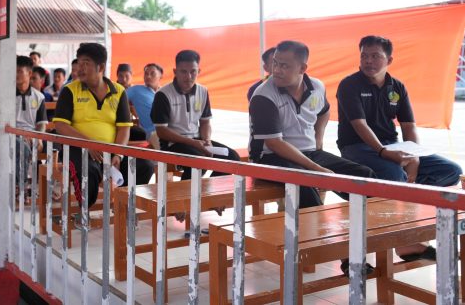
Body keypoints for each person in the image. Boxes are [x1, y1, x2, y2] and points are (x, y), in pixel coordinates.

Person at [249, 40, 377, 276]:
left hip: (309, 152)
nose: (277, 70)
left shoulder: (316, 86)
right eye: (275, 63)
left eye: (284, 65)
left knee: (364, 176)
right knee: (306, 183)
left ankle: (366, 240)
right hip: (270, 157)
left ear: (302, 68)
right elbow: (275, 143)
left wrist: (318, 138)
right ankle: (347, 257)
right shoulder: (263, 96)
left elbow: (324, 111)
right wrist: (316, 168)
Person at [337, 35, 462, 262]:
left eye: (375, 56)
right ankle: (405, 242)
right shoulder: (349, 85)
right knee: (395, 175)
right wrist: (384, 153)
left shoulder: (397, 87)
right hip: (357, 147)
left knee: (450, 170)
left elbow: (408, 126)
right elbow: (359, 125)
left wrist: (414, 156)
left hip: (393, 145)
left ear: (389, 60)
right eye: (364, 56)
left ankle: (401, 199)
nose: (368, 61)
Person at [53, 43, 154, 207]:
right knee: (89, 170)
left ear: (100, 67)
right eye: (79, 63)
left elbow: (124, 128)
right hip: (77, 147)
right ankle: (84, 210)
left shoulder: (118, 91)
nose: (80, 68)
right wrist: (88, 144)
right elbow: (60, 125)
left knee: (144, 166)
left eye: (86, 63)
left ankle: (122, 204)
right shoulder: (69, 90)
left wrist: (118, 154)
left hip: (110, 149)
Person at [151, 50, 241, 180]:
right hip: (172, 144)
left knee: (232, 158)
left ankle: (209, 190)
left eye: (193, 71)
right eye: (183, 71)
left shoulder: (203, 91)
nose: (188, 76)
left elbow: (205, 122)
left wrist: (207, 140)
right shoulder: (163, 94)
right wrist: (193, 143)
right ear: (175, 72)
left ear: (199, 71)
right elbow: (161, 131)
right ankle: (186, 192)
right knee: (200, 162)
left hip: (198, 140)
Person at [15, 56, 48, 184]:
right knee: (20, 146)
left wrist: (39, 137)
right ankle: (20, 185)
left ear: (29, 74)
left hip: (31, 136)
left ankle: (43, 185)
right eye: (14, 71)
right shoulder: (6, 95)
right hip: (11, 133)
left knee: (55, 146)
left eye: (19, 71)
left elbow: (41, 123)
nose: (16, 74)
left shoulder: (39, 97)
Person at [125, 63, 163, 139]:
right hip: (151, 134)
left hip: (169, 129)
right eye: (146, 74)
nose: (148, 76)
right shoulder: (136, 90)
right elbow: (118, 99)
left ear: (160, 76)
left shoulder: (165, 92)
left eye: (152, 74)